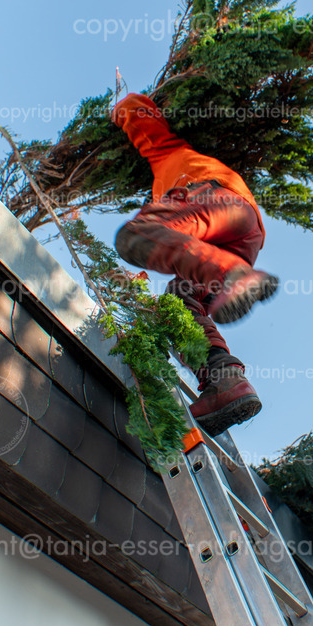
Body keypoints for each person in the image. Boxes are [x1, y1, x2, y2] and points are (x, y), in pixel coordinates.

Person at [111, 93, 276, 435]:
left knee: (138, 233)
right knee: (178, 302)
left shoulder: (169, 154)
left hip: (216, 203)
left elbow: (145, 123)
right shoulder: (170, 193)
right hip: (238, 237)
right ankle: (224, 379)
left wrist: (121, 108)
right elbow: (178, 245)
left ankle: (233, 276)